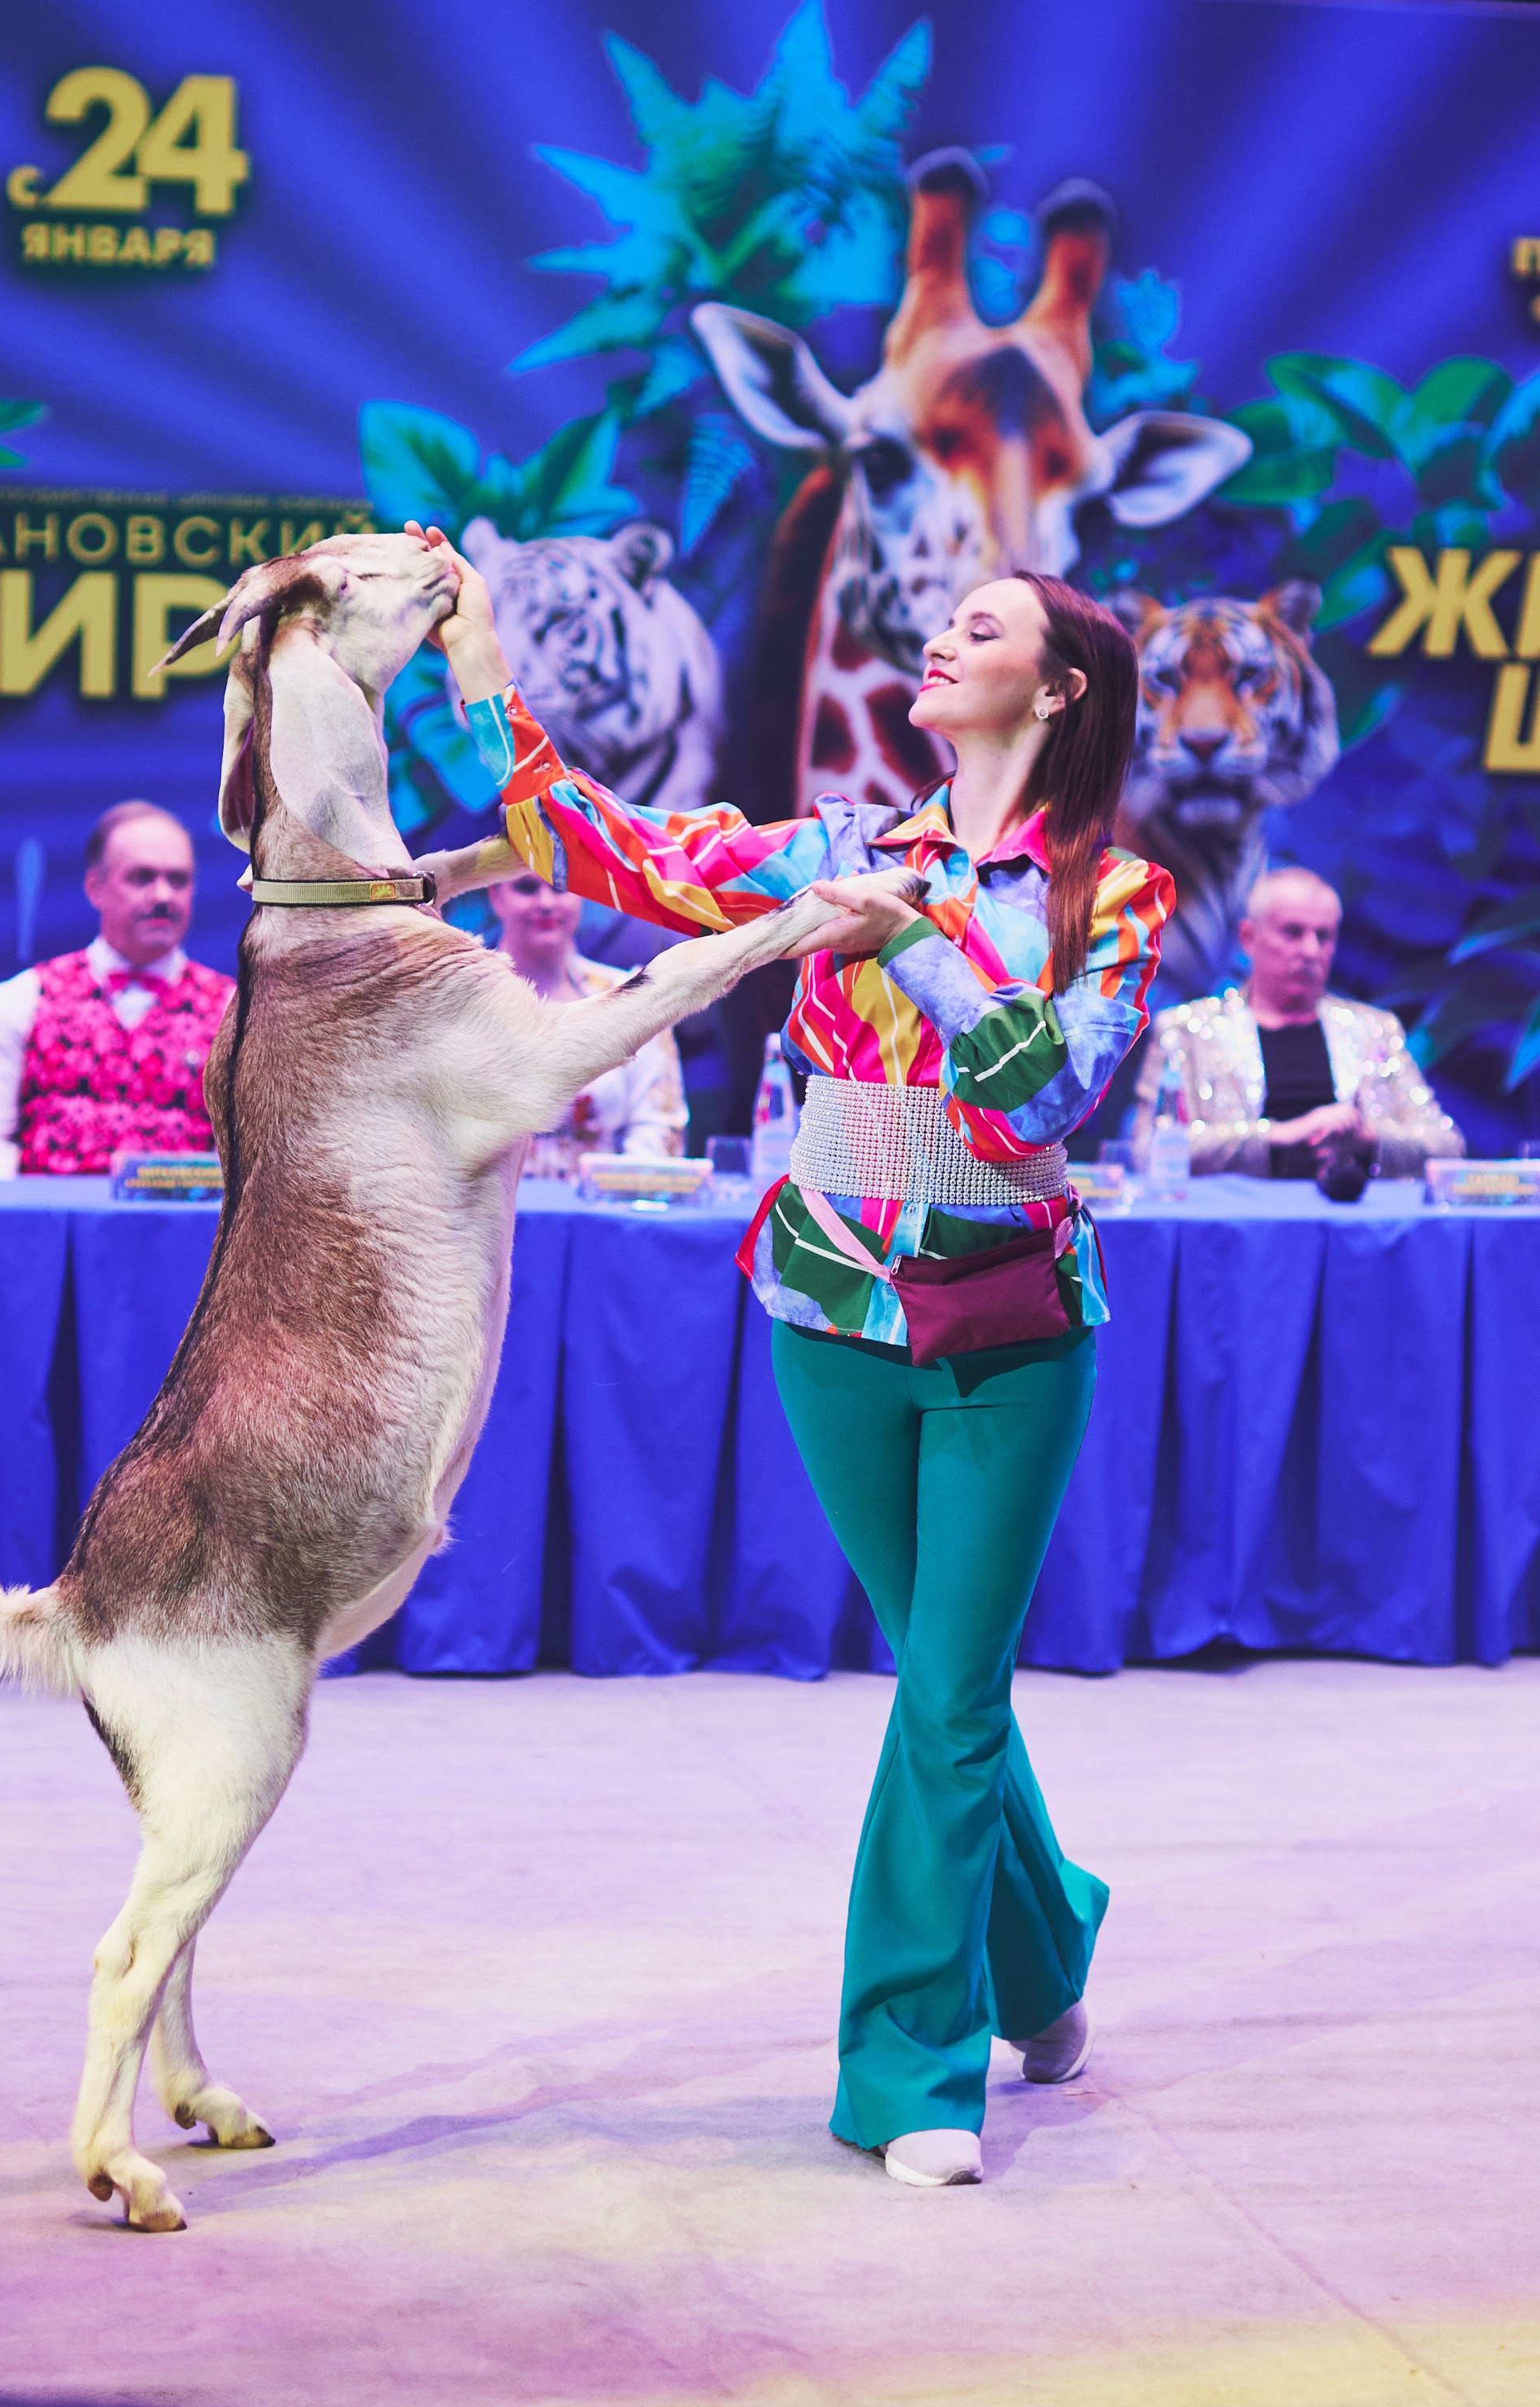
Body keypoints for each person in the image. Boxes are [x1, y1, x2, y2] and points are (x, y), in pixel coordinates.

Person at [415, 522, 1173, 2190]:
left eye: (981, 628)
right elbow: (602, 849)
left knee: (953, 1692)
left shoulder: (1113, 895)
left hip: (1013, 1319)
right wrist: (478, 665)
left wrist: (909, 943)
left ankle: (910, 2076)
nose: (940, 639)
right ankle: (1048, 1946)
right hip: (832, 1303)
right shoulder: (836, 847)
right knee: (941, 1682)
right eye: (942, 622)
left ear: (1057, 689)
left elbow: (1050, 1094)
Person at [0, 803, 234, 1179]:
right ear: (95, 888)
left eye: (178, 880)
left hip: (182, 1217)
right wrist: (17, 1210)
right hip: (47, 1216)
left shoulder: (233, 1011)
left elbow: (247, 1154)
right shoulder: (24, 997)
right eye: (142, 877)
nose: (164, 895)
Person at [1132, 866, 1462, 1178]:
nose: (1310, 951)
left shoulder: (1374, 1030)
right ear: (1248, 938)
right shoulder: (1187, 1030)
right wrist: (1279, 1135)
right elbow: (1147, 1150)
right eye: (1293, 932)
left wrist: (1367, 1139)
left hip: (1353, 1212)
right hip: (1235, 1216)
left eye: (1324, 936)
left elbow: (1448, 1146)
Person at [492, 869, 687, 1176]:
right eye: (527, 888)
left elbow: (658, 1130)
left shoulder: (632, 997)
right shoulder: (461, 1000)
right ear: (495, 897)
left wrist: (615, 1196)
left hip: (603, 1202)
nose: (546, 903)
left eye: (560, 887)